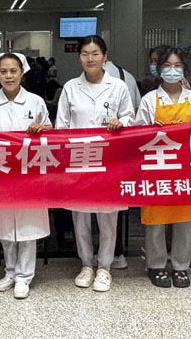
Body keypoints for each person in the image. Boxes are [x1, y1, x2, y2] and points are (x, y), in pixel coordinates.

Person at [56, 35, 134, 292]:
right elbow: (61, 126)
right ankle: (86, 264)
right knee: (80, 216)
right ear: (79, 58)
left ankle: (104, 267)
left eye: (95, 54)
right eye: (85, 54)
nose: (90, 59)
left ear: (105, 57)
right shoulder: (70, 87)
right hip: (79, 160)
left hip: (109, 160)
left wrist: (121, 122)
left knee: (108, 217)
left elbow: (130, 117)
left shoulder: (118, 86)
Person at [134, 47, 191, 288]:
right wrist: (150, 130)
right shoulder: (149, 100)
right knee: (156, 219)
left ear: (184, 69)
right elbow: (136, 135)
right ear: (159, 69)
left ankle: (181, 265)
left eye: (177, 66)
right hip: (157, 168)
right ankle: (156, 265)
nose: (172, 70)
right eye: (167, 66)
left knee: (184, 219)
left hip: (186, 168)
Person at [0, 53, 51, 299]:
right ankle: (10, 272)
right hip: (1, 173)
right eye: (3, 71)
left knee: (27, 227)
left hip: (28, 173)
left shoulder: (35, 101)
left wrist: (41, 128)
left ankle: (24, 276)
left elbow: (51, 131)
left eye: (13, 71)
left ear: (22, 72)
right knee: (4, 226)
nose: (9, 76)